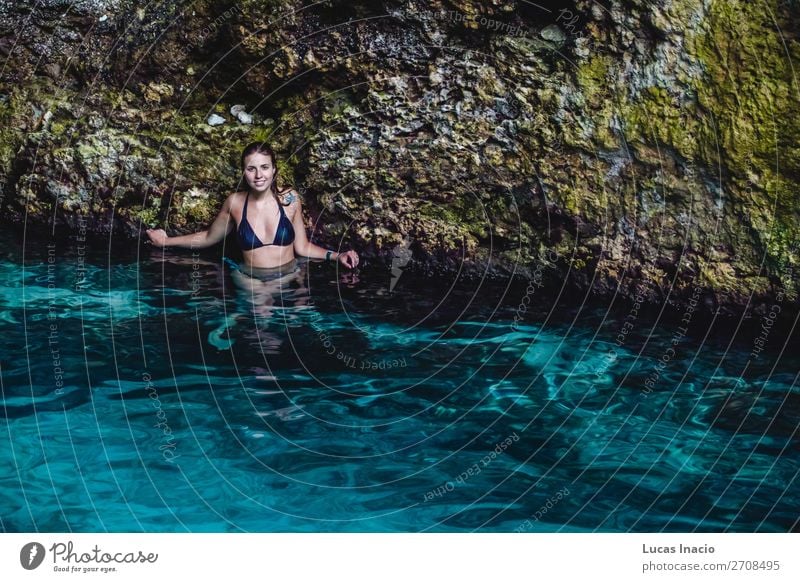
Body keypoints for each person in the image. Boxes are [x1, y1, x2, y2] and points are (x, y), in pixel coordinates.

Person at [145, 142, 359, 275]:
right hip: (251, 279)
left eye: (265, 167)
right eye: (251, 169)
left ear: (274, 170)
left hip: (289, 275)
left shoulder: (290, 199)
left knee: (301, 322)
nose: (259, 175)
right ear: (244, 172)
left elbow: (302, 248)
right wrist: (165, 241)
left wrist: (337, 255)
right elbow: (210, 237)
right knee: (262, 327)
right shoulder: (235, 203)